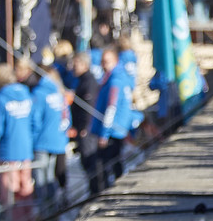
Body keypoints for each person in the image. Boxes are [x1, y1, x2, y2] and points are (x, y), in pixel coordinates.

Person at [91, 43, 136, 187]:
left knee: (109, 163)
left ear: (115, 61)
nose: (103, 65)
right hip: (118, 127)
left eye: (107, 62)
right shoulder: (120, 77)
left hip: (113, 130)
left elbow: (111, 107)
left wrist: (104, 133)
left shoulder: (115, 80)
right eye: (102, 61)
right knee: (115, 162)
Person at [29, 63, 72, 209]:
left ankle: (44, 211)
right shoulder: (59, 92)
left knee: (41, 179)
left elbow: (35, 120)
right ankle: (54, 209)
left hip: (42, 141)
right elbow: (66, 118)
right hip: (57, 140)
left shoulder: (39, 93)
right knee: (50, 176)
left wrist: (33, 140)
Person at [0, 64, 35, 219]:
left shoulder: (1, 98)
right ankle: (28, 217)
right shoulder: (26, 94)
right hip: (26, 146)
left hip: (8, 148)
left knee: (10, 186)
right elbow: (33, 120)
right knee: (26, 184)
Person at [70, 50, 105, 195]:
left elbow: (90, 106)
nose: (73, 67)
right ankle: (93, 191)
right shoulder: (82, 80)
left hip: (87, 130)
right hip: (82, 128)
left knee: (91, 162)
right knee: (86, 162)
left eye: (76, 64)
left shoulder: (89, 81)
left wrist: (85, 127)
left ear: (84, 64)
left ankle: (96, 192)